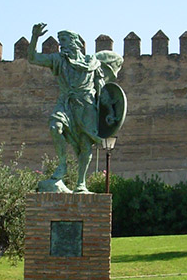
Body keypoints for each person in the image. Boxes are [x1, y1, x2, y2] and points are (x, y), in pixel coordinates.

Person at [28, 23, 123, 193]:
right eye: (59, 41)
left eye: (64, 40)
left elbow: (101, 90)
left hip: (86, 107)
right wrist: (35, 37)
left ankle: (81, 184)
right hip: (66, 102)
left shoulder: (92, 63)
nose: (61, 44)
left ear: (75, 42)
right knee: (55, 127)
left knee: (85, 145)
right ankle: (62, 165)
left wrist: (110, 112)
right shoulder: (58, 59)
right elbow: (33, 58)